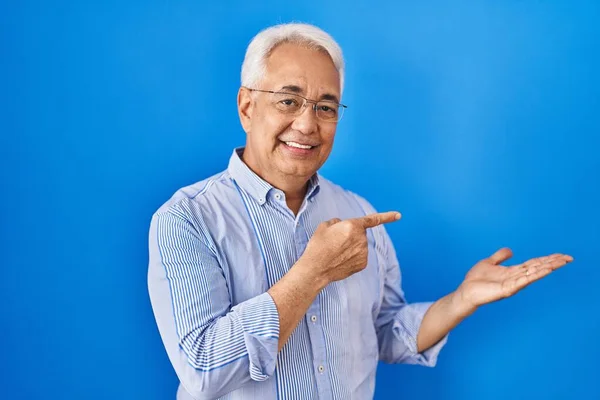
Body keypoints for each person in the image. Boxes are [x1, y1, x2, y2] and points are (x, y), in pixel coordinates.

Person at [147, 23, 573, 400]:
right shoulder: (187, 219)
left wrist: (460, 301)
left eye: (326, 108)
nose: (308, 124)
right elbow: (203, 370)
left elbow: (386, 333)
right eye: (288, 101)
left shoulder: (357, 212)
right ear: (246, 106)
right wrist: (313, 272)